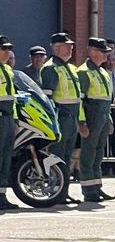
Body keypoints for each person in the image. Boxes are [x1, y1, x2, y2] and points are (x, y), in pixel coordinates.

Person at [42, 33, 82, 204]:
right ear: (56, 48)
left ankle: (63, 192)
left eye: (71, 45)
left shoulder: (68, 67)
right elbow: (48, 97)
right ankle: (54, 191)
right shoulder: (51, 67)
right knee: (57, 156)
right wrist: (52, 122)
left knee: (67, 158)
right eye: (67, 45)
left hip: (71, 118)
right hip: (61, 118)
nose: (71, 48)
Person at [76, 38, 115, 204]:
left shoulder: (102, 72)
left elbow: (107, 99)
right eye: (103, 51)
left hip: (102, 116)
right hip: (91, 115)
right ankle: (88, 189)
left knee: (98, 153)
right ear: (92, 52)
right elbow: (80, 100)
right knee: (88, 153)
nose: (106, 54)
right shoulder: (84, 72)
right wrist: (82, 123)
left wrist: (109, 120)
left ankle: (96, 186)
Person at [0, 38, 17, 210]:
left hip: (8, 117)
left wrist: (17, 119)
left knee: (5, 158)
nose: (7, 52)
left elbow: (12, 98)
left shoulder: (8, 70)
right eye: (3, 48)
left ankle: (2, 195)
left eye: (8, 49)